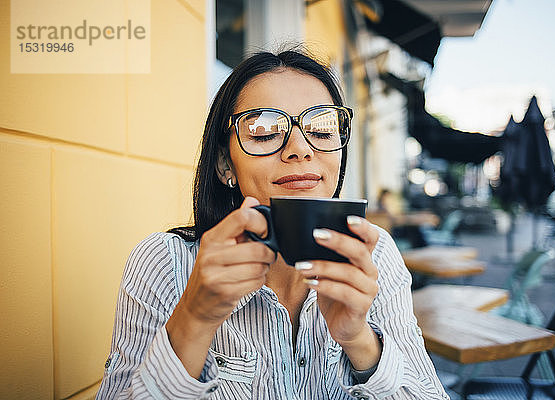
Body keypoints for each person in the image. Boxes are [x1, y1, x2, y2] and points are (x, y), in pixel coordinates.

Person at [96, 49, 449, 399]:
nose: (300, 149)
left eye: (322, 126)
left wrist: (359, 340)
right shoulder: (164, 263)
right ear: (224, 164)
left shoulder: (374, 253)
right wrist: (194, 317)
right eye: (264, 130)